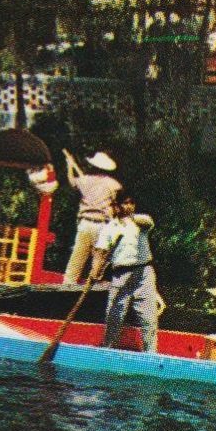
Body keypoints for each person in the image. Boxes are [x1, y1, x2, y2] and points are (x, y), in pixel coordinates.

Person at [91, 193, 160, 353]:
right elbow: (100, 252)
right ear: (116, 206)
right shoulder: (109, 229)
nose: (129, 206)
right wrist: (95, 271)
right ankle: (107, 352)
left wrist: (131, 218)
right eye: (125, 203)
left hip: (143, 274)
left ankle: (151, 356)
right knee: (114, 318)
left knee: (149, 319)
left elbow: (149, 222)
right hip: (120, 277)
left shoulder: (141, 222)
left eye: (131, 202)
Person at [62, 151, 123, 286]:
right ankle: (94, 288)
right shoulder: (114, 184)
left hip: (86, 225)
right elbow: (118, 203)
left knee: (75, 264)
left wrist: (70, 166)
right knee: (99, 264)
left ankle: (67, 287)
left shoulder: (85, 180)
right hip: (102, 227)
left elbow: (72, 182)